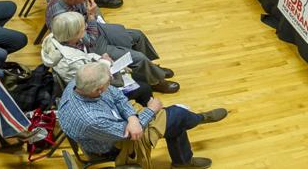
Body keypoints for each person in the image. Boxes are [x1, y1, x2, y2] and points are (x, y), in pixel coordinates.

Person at [58, 62, 225, 168]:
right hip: (110, 146)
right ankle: (197, 121)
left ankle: (185, 154)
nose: (111, 84)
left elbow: (116, 96)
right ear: (98, 90)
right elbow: (131, 133)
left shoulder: (78, 83)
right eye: (108, 83)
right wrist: (150, 110)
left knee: (174, 119)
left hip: (114, 124)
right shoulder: (91, 119)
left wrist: (131, 117)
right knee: (177, 116)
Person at [46, 0, 176, 92]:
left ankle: (151, 70)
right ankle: (156, 81)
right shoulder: (63, 18)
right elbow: (89, 41)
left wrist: (91, 15)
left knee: (137, 35)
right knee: (139, 58)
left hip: (90, 29)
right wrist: (91, 16)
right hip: (89, 44)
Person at [43, 12, 152, 105]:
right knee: (144, 88)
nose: (86, 27)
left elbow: (85, 58)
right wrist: (106, 63)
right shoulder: (72, 61)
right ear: (73, 34)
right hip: (91, 94)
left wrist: (101, 59)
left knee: (137, 75)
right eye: (82, 27)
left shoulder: (56, 39)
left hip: (87, 79)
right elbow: (91, 81)